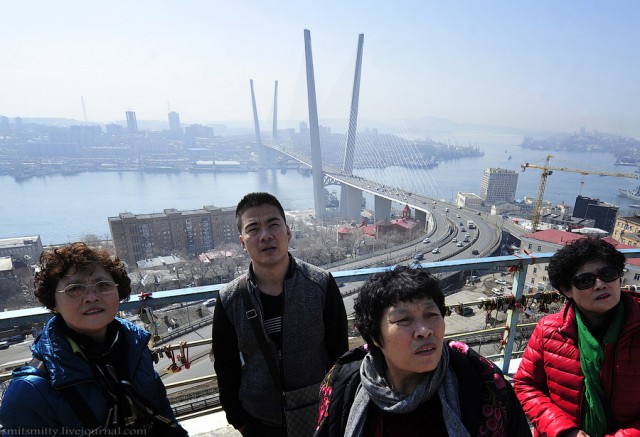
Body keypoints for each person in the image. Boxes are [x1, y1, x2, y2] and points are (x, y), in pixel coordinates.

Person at [315, 265, 531, 437]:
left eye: (431, 315)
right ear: (373, 336)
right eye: (404, 319)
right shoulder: (344, 385)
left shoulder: (483, 383)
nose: (425, 331)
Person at [0, 242, 186, 436]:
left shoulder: (135, 349)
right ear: (53, 303)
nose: (91, 297)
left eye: (103, 285)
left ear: (118, 293)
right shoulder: (28, 393)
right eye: (75, 289)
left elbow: (165, 420)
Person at [212, 192, 349, 436]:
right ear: (242, 242)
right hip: (259, 423)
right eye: (253, 228)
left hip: (318, 417)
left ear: (288, 232)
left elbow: (339, 355)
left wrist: (335, 409)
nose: (265, 235)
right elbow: (226, 367)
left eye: (273, 224)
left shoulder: (320, 285)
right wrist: (240, 420)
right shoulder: (230, 300)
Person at [514, 237, 640, 436]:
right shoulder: (548, 331)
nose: (600, 285)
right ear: (567, 290)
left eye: (607, 274)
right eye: (585, 280)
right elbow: (526, 385)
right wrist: (565, 431)